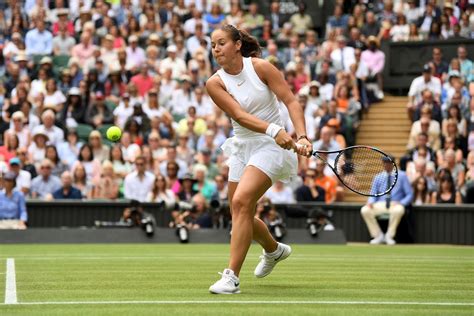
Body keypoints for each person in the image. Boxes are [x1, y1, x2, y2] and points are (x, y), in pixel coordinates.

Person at [206, 25, 311, 294]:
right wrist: (275, 130)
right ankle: (274, 250)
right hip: (245, 146)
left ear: (237, 44)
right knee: (239, 212)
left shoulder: (261, 68)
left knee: (241, 202)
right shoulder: (214, 83)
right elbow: (240, 117)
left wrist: (303, 136)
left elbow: (291, 100)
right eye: (213, 44)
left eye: (221, 43)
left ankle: (231, 277)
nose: (216, 49)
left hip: (272, 148)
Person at [360, 156, 413, 245]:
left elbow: (409, 194)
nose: (386, 165)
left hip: (395, 204)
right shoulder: (378, 177)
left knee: (399, 210)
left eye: (388, 163)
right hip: (380, 204)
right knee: (365, 210)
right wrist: (370, 202)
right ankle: (378, 236)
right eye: (385, 163)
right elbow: (373, 194)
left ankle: (389, 236)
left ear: (393, 163)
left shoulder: (402, 176)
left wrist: (402, 203)